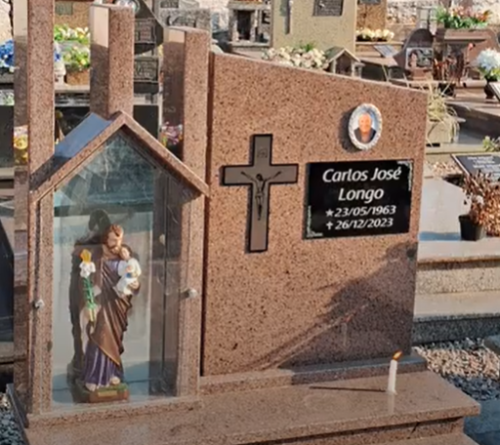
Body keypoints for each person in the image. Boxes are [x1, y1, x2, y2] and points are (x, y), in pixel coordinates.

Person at [78, 224, 141, 392]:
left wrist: (135, 285)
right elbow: (87, 282)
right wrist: (89, 301)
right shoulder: (97, 258)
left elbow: (133, 277)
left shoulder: (125, 257)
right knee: (99, 337)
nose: (117, 244)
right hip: (101, 305)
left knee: (114, 339)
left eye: (119, 240)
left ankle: (112, 372)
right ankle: (94, 376)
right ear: (106, 239)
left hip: (117, 306)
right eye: (113, 240)